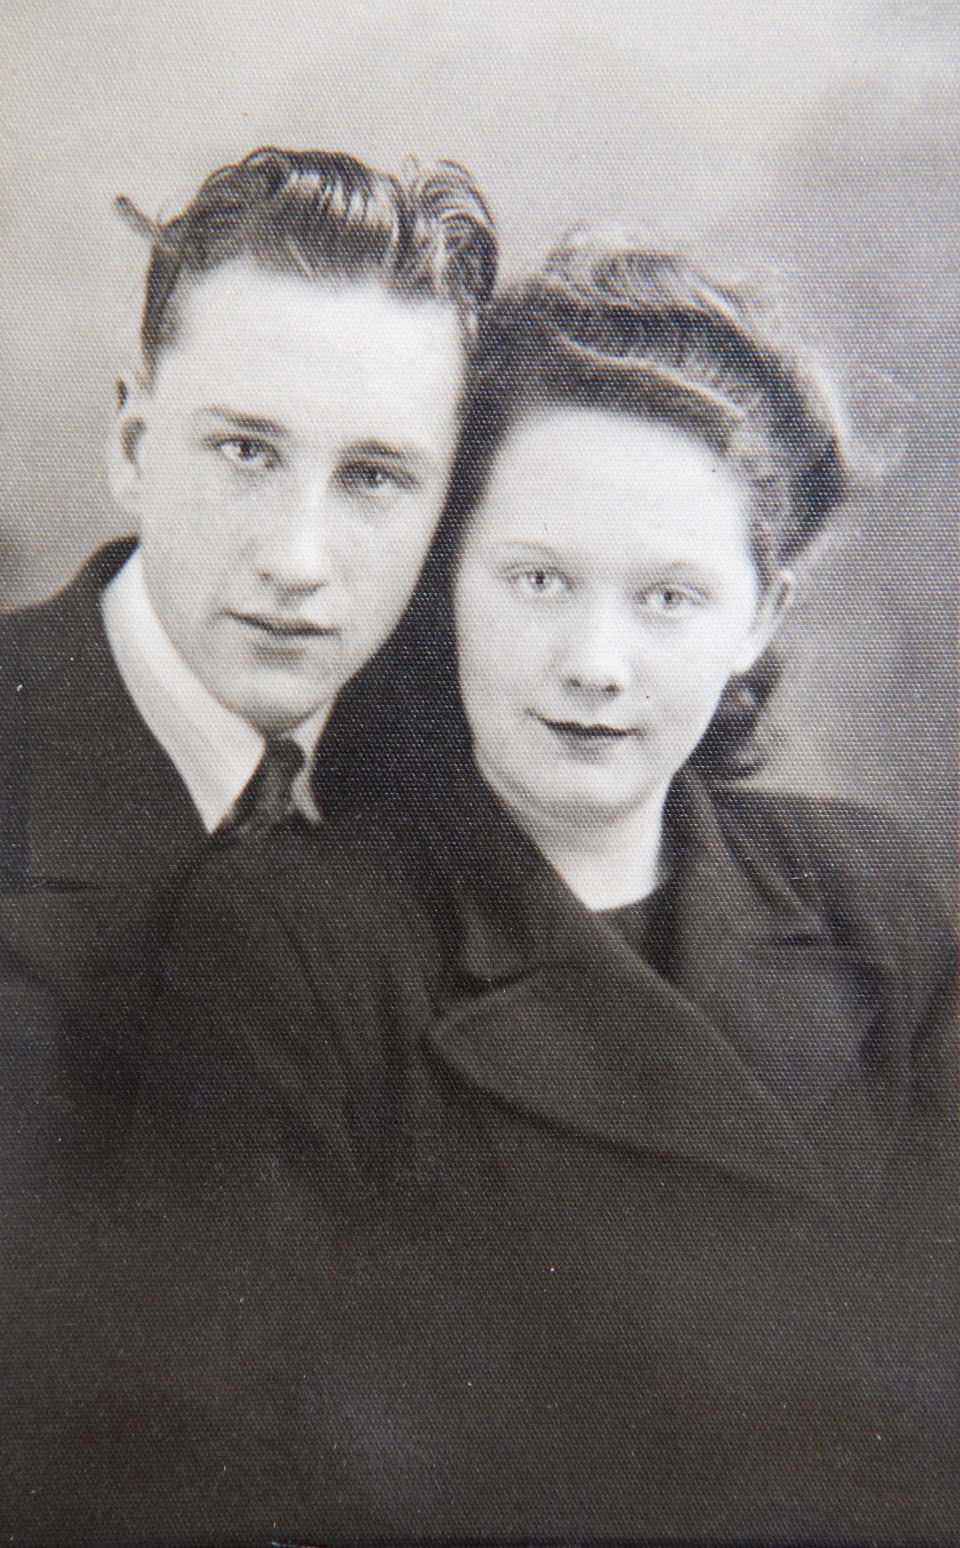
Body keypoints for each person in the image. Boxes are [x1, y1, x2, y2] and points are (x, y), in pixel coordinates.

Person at [9, 236, 956, 1543]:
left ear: (760, 613)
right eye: (538, 579)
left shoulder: (876, 903)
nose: (597, 663)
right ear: (449, 583)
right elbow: (224, 1469)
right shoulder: (296, 938)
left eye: (671, 596)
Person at [0, 144, 496, 1127]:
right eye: (246, 452)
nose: (299, 561)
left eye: (374, 478)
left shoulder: (482, 781)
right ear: (134, 448)